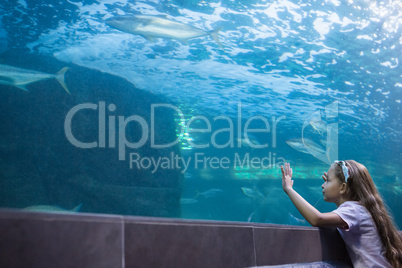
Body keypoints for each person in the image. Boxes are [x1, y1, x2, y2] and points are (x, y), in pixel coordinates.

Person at [281, 160, 402, 268]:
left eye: (328, 181)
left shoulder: (354, 210)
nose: (323, 185)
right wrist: (336, 192)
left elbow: (317, 219)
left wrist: (289, 189)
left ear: (343, 188)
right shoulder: (359, 209)